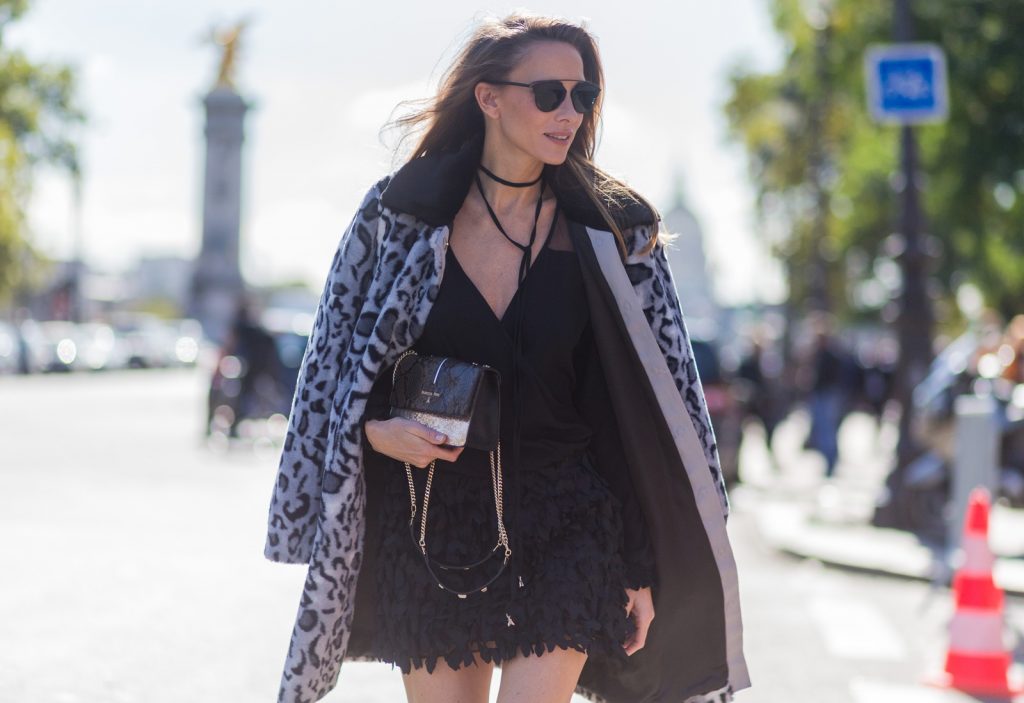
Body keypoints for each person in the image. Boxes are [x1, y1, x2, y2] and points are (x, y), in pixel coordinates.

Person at [263, 12, 750, 703]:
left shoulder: (610, 233)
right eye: (549, 93)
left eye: (583, 96)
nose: (570, 113)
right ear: (489, 97)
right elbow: (335, 375)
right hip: (434, 520)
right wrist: (376, 429)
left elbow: (631, 411)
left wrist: (638, 561)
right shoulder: (398, 218)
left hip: (570, 522)